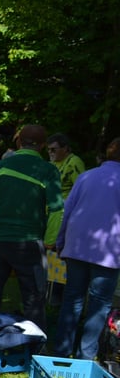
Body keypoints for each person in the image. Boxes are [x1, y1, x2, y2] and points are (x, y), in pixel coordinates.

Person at [0, 124, 63, 331]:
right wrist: (49, 241)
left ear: (18, 142)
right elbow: (57, 210)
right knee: (33, 299)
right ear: (43, 146)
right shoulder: (49, 170)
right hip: (30, 243)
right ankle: (33, 348)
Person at [52, 137, 120, 360]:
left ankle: (61, 351)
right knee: (99, 305)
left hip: (78, 246)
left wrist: (60, 242)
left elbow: (68, 211)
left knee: (72, 298)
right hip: (109, 253)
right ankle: (86, 356)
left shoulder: (86, 176)